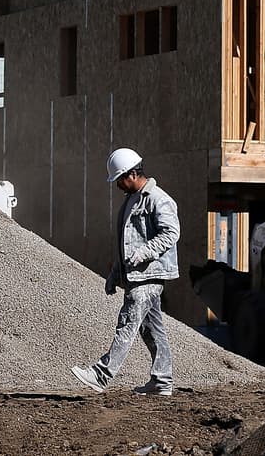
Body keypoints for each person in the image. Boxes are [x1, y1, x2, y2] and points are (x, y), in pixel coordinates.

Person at [71, 147, 180, 396]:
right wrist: (115, 275)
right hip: (135, 275)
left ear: (132, 174)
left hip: (149, 274)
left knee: (128, 322)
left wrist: (145, 253)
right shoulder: (131, 200)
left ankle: (101, 375)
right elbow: (126, 242)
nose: (118, 185)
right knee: (151, 329)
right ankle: (162, 381)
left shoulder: (157, 199)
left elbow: (171, 233)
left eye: (119, 179)